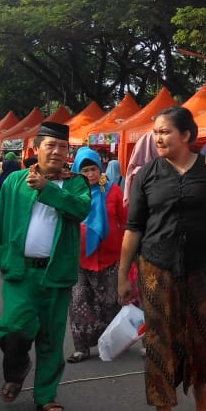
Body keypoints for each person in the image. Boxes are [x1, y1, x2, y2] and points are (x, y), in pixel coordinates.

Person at [116, 107, 206, 411]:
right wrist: (121, 274)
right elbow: (134, 227)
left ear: (186, 135)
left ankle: (200, 386)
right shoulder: (145, 175)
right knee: (160, 340)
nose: (158, 138)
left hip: (202, 265)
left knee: (204, 335)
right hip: (156, 266)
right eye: (155, 132)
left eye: (166, 132)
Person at [0, 122, 91, 411]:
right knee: (12, 327)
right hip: (20, 273)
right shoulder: (14, 181)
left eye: (63, 147)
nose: (58, 152)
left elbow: (80, 210)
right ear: (37, 149)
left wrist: (49, 189)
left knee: (50, 337)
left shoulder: (74, 183)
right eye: (51, 146)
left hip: (56, 274)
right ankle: (17, 367)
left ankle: (46, 394)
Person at [66, 147, 126, 363]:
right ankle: (81, 348)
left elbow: (125, 221)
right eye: (85, 171)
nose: (90, 174)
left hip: (109, 258)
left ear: (100, 169)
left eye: (93, 169)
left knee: (110, 302)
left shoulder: (112, 191)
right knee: (79, 302)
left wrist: (127, 256)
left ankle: (110, 342)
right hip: (78, 257)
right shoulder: (72, 193)